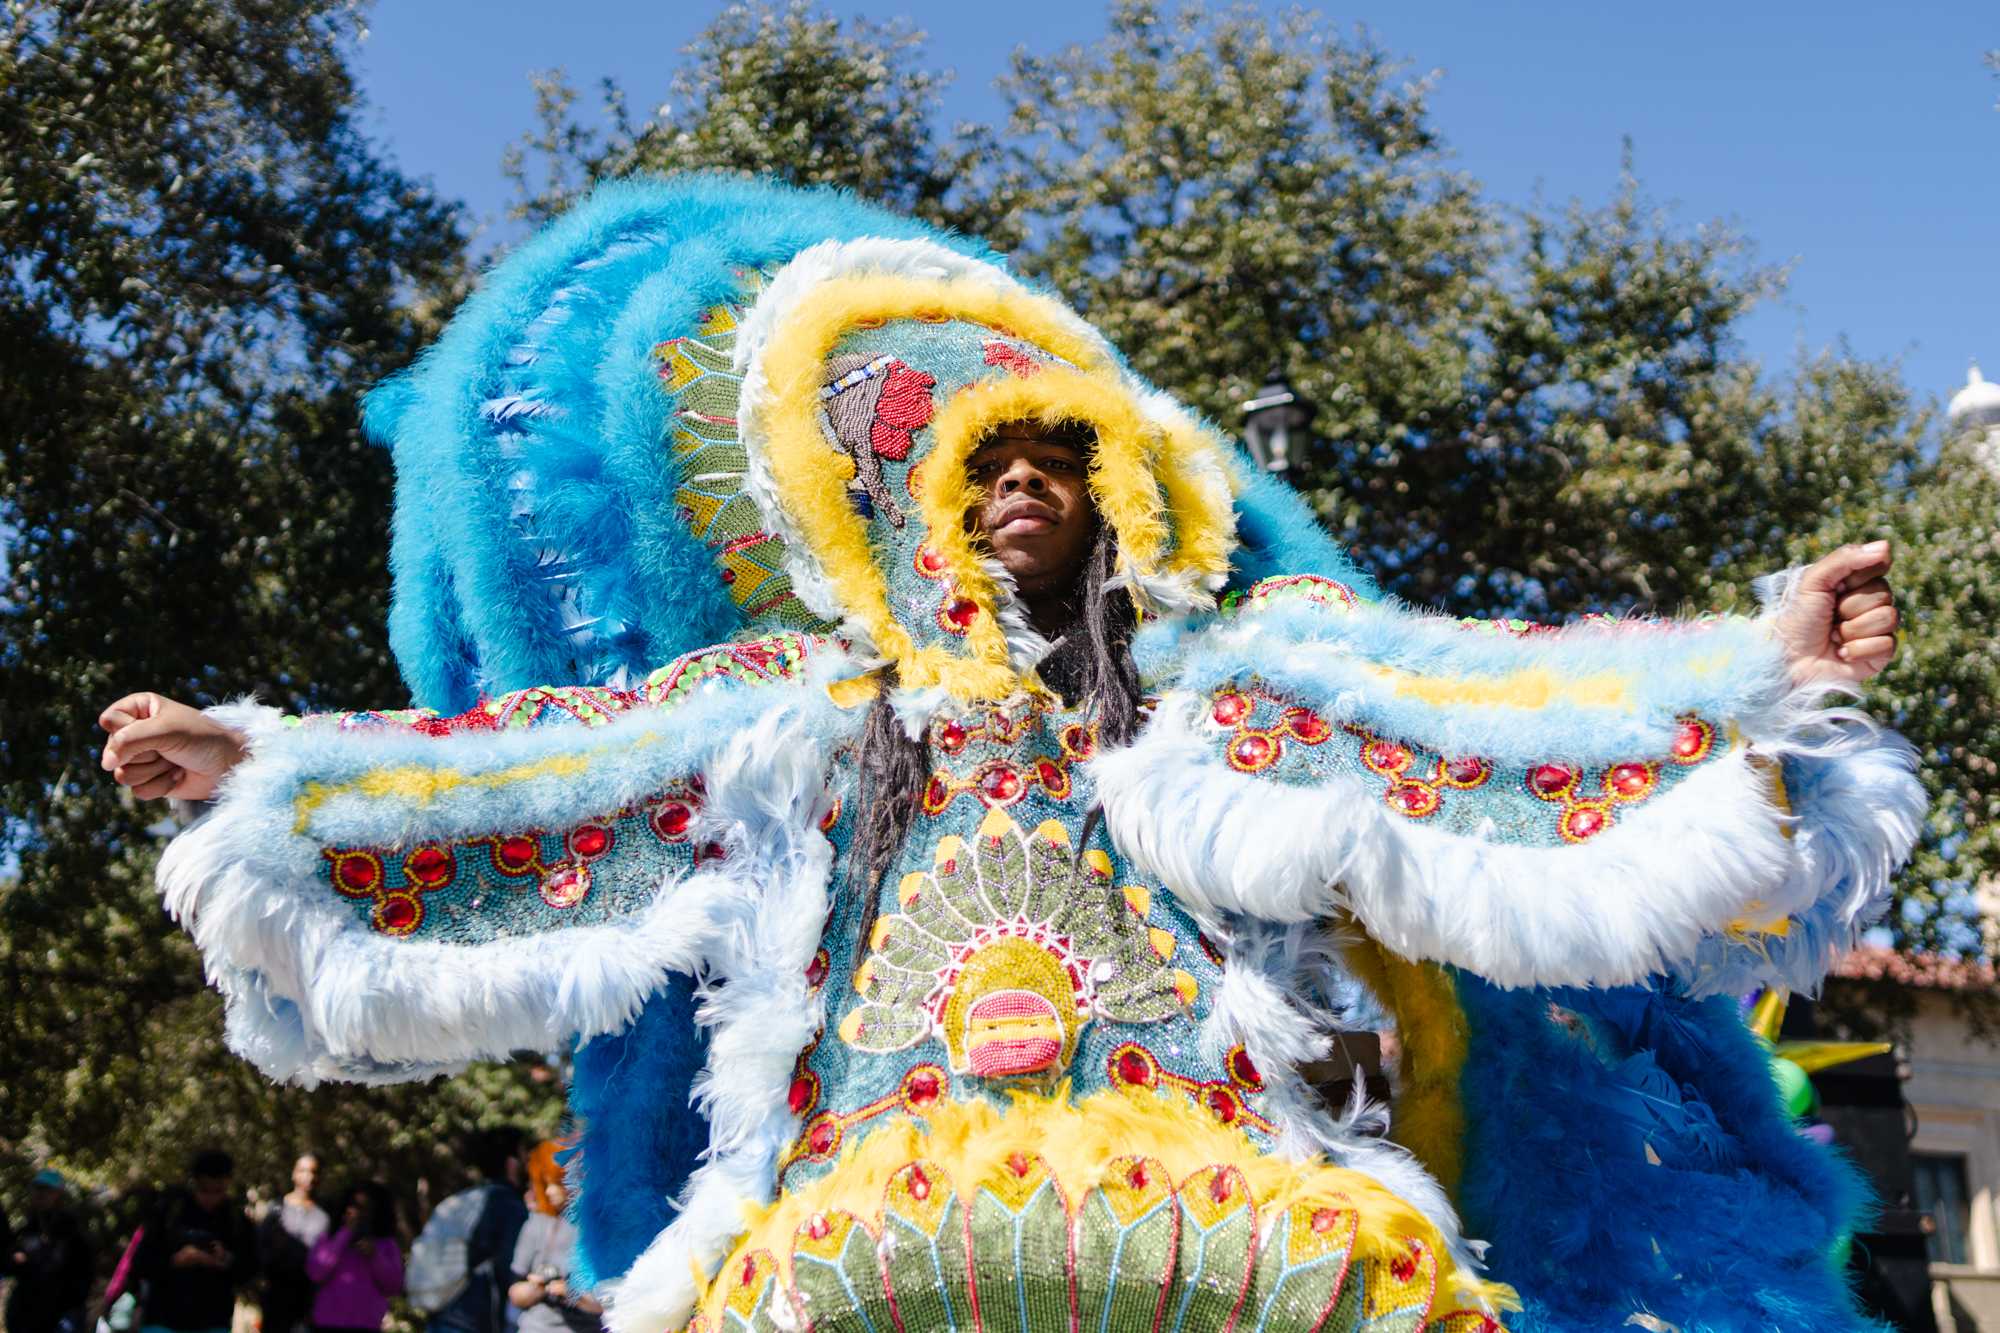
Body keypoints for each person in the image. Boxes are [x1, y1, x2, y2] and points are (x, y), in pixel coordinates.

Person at [100, 177, 1925, 1333]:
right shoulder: (802, 714)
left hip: (1219, 1213)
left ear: (1114, 492)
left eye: (1052, 455)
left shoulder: (1235, 680)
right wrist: (252, 766)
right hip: (866, 1217)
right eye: (979, 465)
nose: (1019, 486)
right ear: (900, 516)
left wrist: (1752, 665)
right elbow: (525, 778)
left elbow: (1485, 707)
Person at [134, 1151, 257, 1333]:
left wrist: (224, 1260)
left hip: (213, 1319)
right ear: (195, 1183)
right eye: (204, 1190)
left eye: (218, 1191)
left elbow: (250, 1269)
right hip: (163, 1317)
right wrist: (175, 1260)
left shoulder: (236, 1220)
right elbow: (140, 1263)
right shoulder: (169, 1212)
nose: (211, 1199)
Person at [417, 1130, 525, 1333]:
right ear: (511, 1163)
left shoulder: (461, 1200)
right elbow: (509, 1270)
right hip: (476, 1318)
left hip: (441, 1312)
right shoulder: (507, 1205)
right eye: (524, 1156)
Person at [506, 1164, 599, 1333]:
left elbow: (604, 1305)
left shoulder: (598, 1229)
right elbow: (515, 1293)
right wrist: (536, 1289)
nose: (549, 1191)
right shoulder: (536, 1223)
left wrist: (571, 1293)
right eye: (546, 1184)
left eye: (556, 1183)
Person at [303, 1184, 401, 1333]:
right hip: (327, 1324)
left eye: (366, 1208)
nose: (360, 1214)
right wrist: (345, 1234)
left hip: (366, 1325)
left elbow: (393, 1286)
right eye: (356, 1207)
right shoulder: (329, 1237)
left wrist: (375, 1256)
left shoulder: (386, 1244)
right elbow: (316, 1273)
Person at [5, 1169, 94, 1333]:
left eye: (46, 1190)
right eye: (37, 1188)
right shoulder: (26, 1230)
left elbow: (84, 1273)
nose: (41, 1194)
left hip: (60, 1317)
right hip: (25, 1316)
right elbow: (11, 1267)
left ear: (58, 1194)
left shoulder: (72, 1231)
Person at [255, 1155, 328, 1333]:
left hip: (310, 1299)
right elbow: (260, 1251)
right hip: (277, 1298)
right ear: (294, 1174)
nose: (308, 1176)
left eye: (313, 1172)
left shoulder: (325, 1214)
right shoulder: (276, 1209)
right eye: (303, 1170)